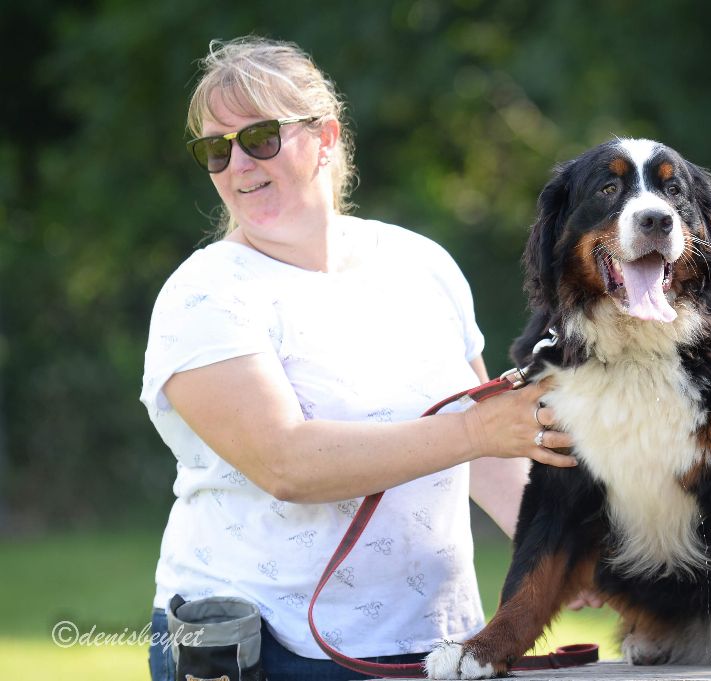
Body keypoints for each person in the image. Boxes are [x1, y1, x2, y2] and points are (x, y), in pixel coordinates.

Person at [140, 36, 594, 681]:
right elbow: (286, 463)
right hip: (270, 648)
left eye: (261, 137)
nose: (238, 163)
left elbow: (491, 454)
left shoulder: (420, 263)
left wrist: (561, 554)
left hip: (438, 638)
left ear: (324, 138)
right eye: (216, 147)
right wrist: (472, 431)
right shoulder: (205, 294)